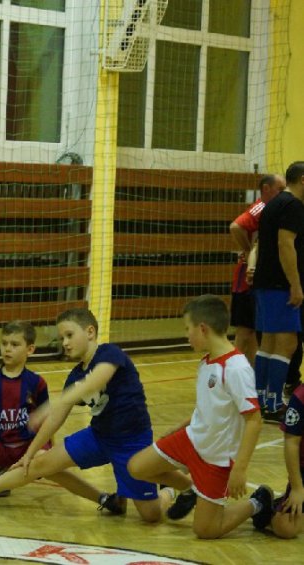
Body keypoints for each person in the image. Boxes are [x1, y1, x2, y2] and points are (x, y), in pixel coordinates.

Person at [0, 308, 185, 522]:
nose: (65, 343)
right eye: (61, 338)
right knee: (39, 462)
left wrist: (56, 402)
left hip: (130, 442)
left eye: (69, 335)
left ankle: (169, 490)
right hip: (98, 437)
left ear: (90, 332)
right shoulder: (75, 375)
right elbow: (55, 419)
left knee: (151, 515)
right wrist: (28, 453)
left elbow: (96, 380)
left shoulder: (109, 353)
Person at [0, 320, 124, 513]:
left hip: (31, 447)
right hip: (2, 448)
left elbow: (49, 419)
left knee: (49, 466)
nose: (7, 349)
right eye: (4, 344)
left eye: (14, 344)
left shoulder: (36, 383)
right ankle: (4, 473)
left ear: (30, 349)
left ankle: (102, 498)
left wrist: (49, 451)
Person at [127, 295, 270, 539]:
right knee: (137, 467)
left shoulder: (236, 368)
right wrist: (181, 426)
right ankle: (189, 489)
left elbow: (254, 421)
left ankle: (258, 503)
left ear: (203, 328)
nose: (187, 335)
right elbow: (209, 407)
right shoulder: (206, 362)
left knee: (205, 530)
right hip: (191, 440)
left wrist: (239, 469)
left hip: (217, 458)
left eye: (188, 329)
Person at [252, 162, 304, 422]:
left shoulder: (274, 203)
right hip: (280, 285)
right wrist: (295, 284)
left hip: (266, 282)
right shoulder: (293, 205)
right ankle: (272, 406)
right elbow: (286, 244)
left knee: (269, 343)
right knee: (287, 343)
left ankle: (261, 401)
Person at [229, 174, 285, 365]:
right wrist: (247, 250)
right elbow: (236, 226)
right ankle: (232, 372)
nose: (284, 193)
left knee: (254, 330)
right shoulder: (261, 207)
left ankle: (251, 373)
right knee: (245, 330)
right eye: (280, 189)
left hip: (262, 276)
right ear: (266, 189)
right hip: (247, 277)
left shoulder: (277, 209)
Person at [260, 383, 304, 538]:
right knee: (286, 527)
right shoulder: (301, 397)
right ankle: (262, 505)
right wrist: (297, 488)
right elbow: (291, 442)